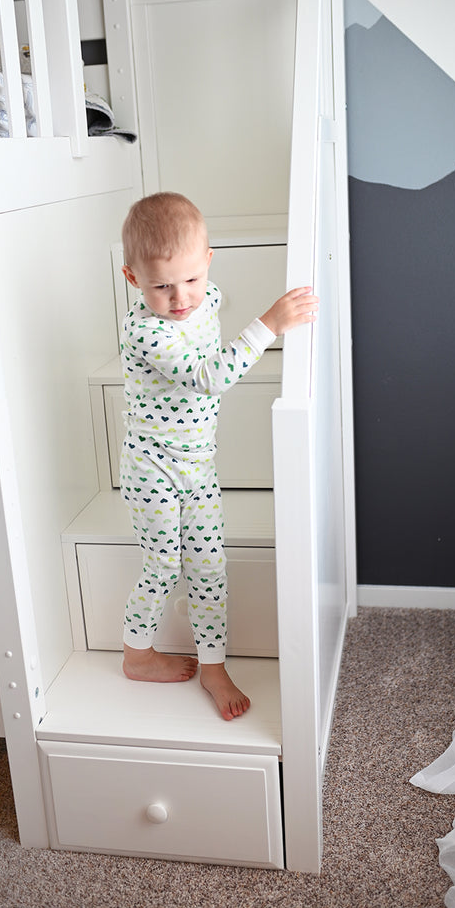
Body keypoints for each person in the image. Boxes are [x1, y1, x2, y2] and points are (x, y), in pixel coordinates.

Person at [118, 192, 318, 720]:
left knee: (208, 564)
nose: (180, 297)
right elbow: (211, 377)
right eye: (161, 285)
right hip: (152, 468)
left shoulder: (204, 297)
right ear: (133, 279)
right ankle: (137, 653)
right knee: (163, 561)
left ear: (208, 261)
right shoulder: (146, 330)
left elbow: (203, 310)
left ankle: (213, 663)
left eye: (190, 280)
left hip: (198, 466)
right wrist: (269, 324)